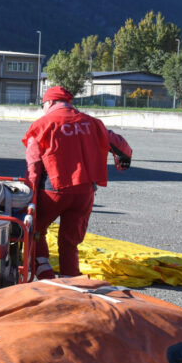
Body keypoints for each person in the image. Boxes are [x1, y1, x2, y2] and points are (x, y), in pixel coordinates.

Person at [23, 85, 132, 279]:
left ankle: (45, 274)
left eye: (43, 105)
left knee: (35, 230)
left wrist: (30, 196)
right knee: (69, 241)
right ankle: (71, 282)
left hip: (53, 191)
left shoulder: (41, 125)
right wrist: (123, 163)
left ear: (50, 102)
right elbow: (121, 145)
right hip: (85, 192)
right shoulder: (92, 123)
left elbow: (34, 165)